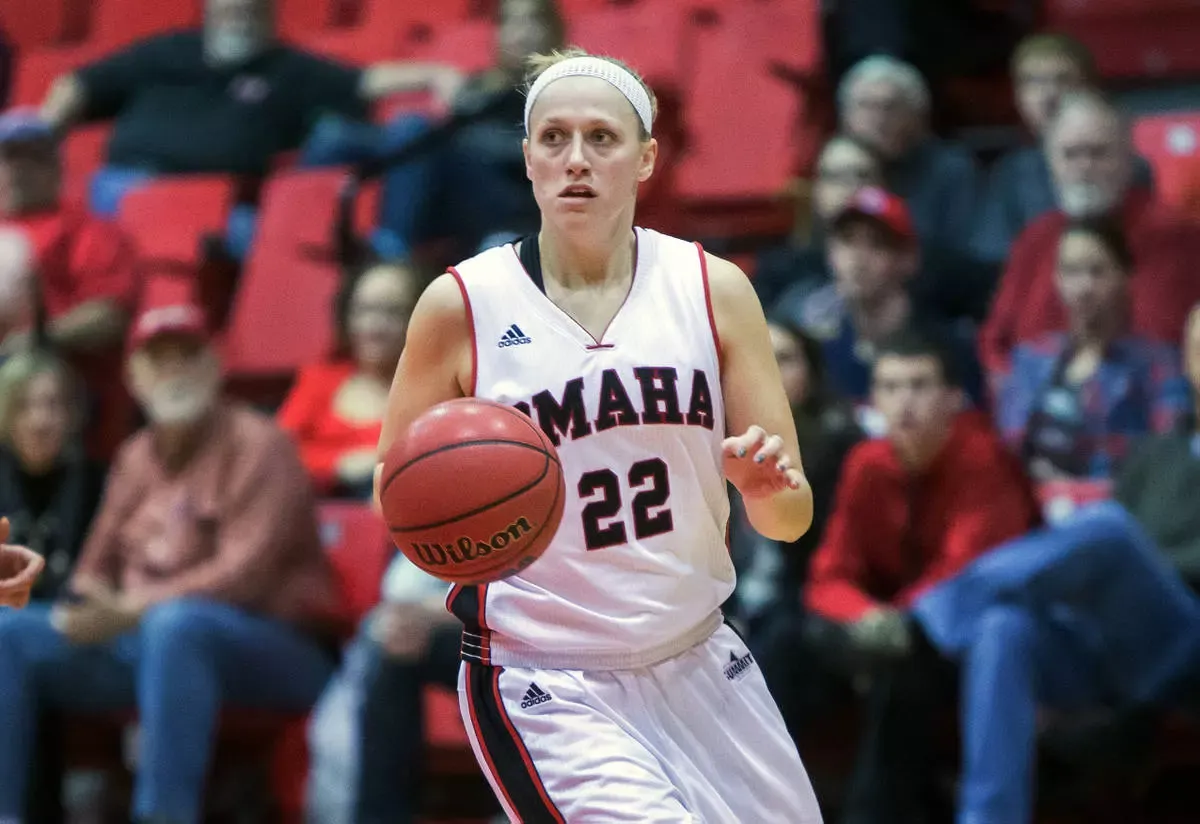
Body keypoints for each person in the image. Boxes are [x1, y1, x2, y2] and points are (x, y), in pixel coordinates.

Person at [374, 48, 821, 822]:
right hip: (549, 680)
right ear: (526, 157)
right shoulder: (461, 306)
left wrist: (766, 489)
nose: (575, 159)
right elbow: (397, 489)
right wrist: (466, 520)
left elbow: (789, 519)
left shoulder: (714, 290)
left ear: (646, 158)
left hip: (701, 657)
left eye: (601, 139)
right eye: (553, 138)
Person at [0, 301, 344, 824]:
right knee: (8, 631)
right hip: (148, 640)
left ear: (216, 365)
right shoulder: (135, 455)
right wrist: (84, 605)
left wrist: (132, 609)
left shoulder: (262, 446)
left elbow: (243, 574)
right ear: (133, 379)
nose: (174, 371)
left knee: (176, 624)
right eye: (157, 360)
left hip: (278, 648)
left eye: (188, 355)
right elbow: (96, 561)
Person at [996, 217, 1188, 484]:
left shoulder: (1160, 364)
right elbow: (1009, 448)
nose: (1084, 287)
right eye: (1071, 272)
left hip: (1118, 511)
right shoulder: (1032, 359)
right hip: (1037, 504)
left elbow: (1167, 456)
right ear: (1057, 279)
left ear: (1125, 275)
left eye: (1097, 271)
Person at [279, 261, 421, 498]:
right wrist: (337, 466)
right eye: (363, 310)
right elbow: (278, 456)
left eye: (392, 312)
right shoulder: (317, 381)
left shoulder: (434, 389)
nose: (374, 325)